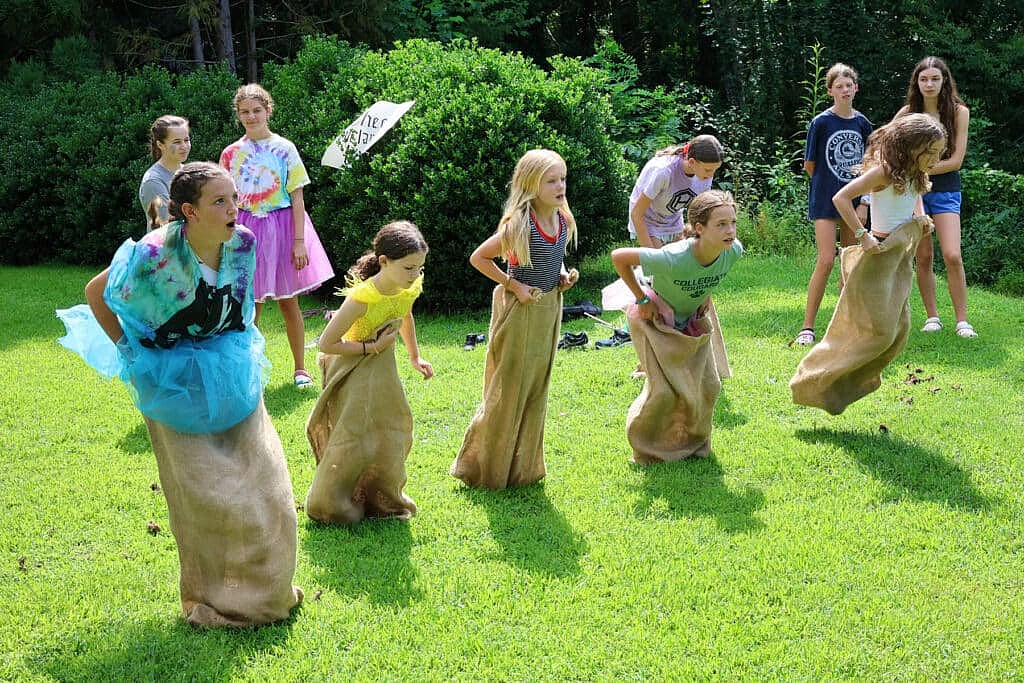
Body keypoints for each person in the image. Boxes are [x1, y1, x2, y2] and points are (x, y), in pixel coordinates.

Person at [56, 162, 303, 627]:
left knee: (267, 487)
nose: (235, 209)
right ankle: (213, 599)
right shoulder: (153, 254)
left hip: (231, 368)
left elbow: (242, 306)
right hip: (170, 379)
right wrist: (132, 354)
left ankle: (271, 588)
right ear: (188, 211)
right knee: (206, 499)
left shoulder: (244, 243)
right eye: (221, 201)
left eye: (235, 198)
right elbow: (97, 292)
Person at [790, 114, 945, 414]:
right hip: (878, 256)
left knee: (899, 329)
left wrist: (920, 217)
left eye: (939, 152)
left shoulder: (914, 173)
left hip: (901, 256)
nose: (936, 158)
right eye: (931, 152)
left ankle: (846, 382)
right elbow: (841, 197)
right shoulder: (884, 172)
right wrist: (862, 235)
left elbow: (915, 197)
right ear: (911, 147)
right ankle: (813, 380)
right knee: (876, 332)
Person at [450, 149, 579, 489]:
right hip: (519, 310)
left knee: (536, 385)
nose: (560, 185)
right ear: (530, 185)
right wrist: (514, 285)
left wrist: (563, 275)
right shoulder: (520, 224)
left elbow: (553, 258)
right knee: (510, 386)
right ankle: (485, 467)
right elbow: (479, 257)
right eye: (551, 180)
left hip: (549, 308)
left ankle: (523, 467)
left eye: (562, 178)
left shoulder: (562, 219)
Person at [305, 221, 433, 525]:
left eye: (419, 267)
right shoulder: (363, 297)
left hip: (383, 366)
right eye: (409, 268)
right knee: (353, 433)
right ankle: (331, 500)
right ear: (385, 262)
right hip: (353, 366)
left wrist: (415, 357)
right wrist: (371, 348)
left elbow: (406, 316)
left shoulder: (408, 286)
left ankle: (380, 495)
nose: (415, 275)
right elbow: (327, 343)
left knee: (390, 428)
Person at [611, 190, 743, 463]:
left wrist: (705, 293)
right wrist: (641, 298)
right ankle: (646, 450)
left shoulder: (733, 251)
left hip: (690, 320)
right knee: (663, 392)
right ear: (699, 228)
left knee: (709, 386)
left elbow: (708, 274)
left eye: (732, 223)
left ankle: (692, 444)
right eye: (721, 224)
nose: (730, 231)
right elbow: (619, 257)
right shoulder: (673, 256)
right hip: (654, 320)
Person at [220, 83, 335, 388]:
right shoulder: (231, 154)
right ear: (238, 115)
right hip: (245, 230)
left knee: (289, 302)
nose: (251, 116)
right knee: (249, 304)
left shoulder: (285, 148)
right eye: (244, 112)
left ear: (268, 111)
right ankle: (248, 369)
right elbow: (224, 200)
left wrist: (299, 241)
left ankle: (300, 369)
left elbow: (297, 198)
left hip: (283, 229)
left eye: (256, 110)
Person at [895, 56, 976, 338]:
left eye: (935, 79)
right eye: (923, 79)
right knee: (924, 256)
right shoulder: (907, 112)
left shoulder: (959, 112)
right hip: (914, 191)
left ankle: (962, 321)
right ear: (916, 83)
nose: (929, 84)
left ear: (944, 82)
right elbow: (885, 143)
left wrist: (919, 167)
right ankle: (932, 317)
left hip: (946, 190)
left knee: (953, 254)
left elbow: (956, 161)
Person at [795, 63, 874, 346]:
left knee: (848, 263)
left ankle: (844, 327)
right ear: (830, 91)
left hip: (854, 203)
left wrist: (863, 202)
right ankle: (807, 327)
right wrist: (829, 187)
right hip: (825, 201)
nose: (844, 90)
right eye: (838, 86)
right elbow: (810, 165)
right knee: (827, 259)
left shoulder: (863, 124)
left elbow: (870, 167)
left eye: (848, 85)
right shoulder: (821, 123)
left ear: (856, 88)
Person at [628, 135, 724, 248]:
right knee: (659, 263)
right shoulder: (663, 172)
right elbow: (637, 213)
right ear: (692, 162)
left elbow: (702, 212)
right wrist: (650, 254)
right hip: (647, 220)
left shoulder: (705, 174)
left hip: (673, 220)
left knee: (679, 262)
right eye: (708, 170)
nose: (711, 175)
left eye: (715, 170)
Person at [139, 115, 191, 230]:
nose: (184, 146)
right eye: (177, 142)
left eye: (186, 140)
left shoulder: (188, 173)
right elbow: (168, 225)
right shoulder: (152, 181)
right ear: (160, 145)